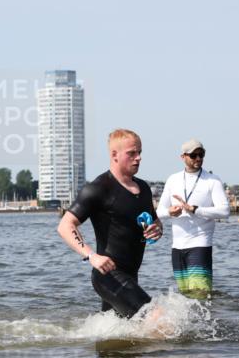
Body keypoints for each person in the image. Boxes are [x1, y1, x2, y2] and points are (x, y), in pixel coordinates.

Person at [58, 128, 162, 317]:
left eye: (140, 152)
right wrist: (91, 256)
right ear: (114, 155)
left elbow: (155, 222)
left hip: (131, 275)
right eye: (132, 153)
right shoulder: (99, 189)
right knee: (157, 317)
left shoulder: (144, 188)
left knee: (116, 336)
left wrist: (156, 229)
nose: (138, 158)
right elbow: (65, 226)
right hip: (108, 276)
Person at [156, 139, 230, 298]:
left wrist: (195, 209)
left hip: (200, 244)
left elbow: (225, 211)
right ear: (182, 156)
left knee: (200, 295)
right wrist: (170, 212)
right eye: (193, 155)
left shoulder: (213, 180)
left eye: (201, 154)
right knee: (184, 296)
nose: (198, 158)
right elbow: (159, 211)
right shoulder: (173, 179)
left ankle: (206, 323)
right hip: (177, 247)